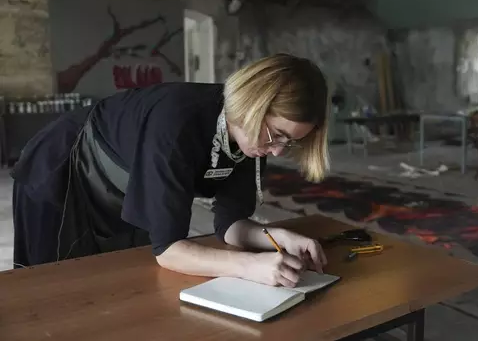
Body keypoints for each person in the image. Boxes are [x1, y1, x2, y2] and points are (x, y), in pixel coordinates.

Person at [11, 53, 330, 288]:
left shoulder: (251, 137)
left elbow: (229, 224)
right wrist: (249, 265)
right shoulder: (176, 124)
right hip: (62, 170)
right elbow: (168, 251)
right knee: (50, 290)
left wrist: (276, 236)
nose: (275, 150)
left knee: (116, 285)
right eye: (277, 135)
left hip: (120, 185)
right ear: (253, 104)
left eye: (288, 143)